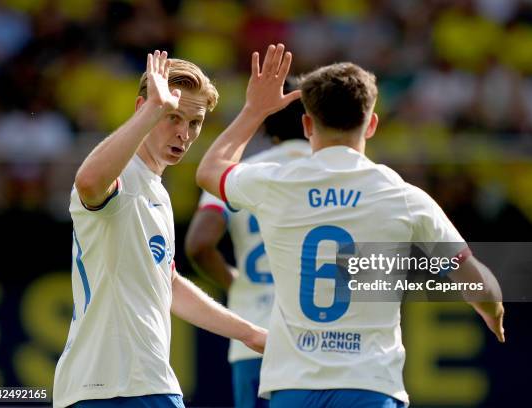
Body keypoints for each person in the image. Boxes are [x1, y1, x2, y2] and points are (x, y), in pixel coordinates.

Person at [196, 44, 505, 408]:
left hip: (294, 386)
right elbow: (477, 282)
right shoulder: (404, 196)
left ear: (308, 125)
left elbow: (208, 171)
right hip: (370, 385)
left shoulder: (275, 184)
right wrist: (492, 312)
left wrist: (254, 110)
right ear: (371, 124)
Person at [53, 50, 267, 408]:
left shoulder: (156, 191)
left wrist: (251, 334)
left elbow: (167, 283)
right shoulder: (121, 174)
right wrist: (153, 108)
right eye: (173, 117)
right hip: (120, 387)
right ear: (143, 107)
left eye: (195, 123)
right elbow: (89, 182)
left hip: (125, 384)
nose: (184, 133)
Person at [185, 77, 310, 408]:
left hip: (255, 335)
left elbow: (199, 244)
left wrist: (236, 284)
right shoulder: (337, 174)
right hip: (323, 343)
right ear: (314, 122)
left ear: (267, 127)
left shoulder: (240, 173)